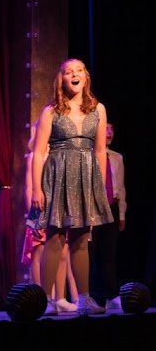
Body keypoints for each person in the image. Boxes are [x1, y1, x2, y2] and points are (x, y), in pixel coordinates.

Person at [30, 58, 113, 315]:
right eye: (68, 72)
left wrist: (98, 186)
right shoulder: (51, 111)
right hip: (57, 174)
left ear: (85, 77)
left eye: (79, 71)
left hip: (86, 175)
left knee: (80, 239)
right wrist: (36, 188)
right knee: (54, 237)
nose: (74, 75)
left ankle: (84, 299)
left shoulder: (98, 109)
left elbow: (100, 150)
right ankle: (45, 299)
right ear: (62, 79)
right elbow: (40, 152)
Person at [22, 121, 79, 313]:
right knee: (39, 254)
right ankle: (42, 298)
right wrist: (34, 211)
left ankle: (60, 298)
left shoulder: (59, 153)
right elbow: (29, 186)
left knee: (62, 252)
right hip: (40, 211)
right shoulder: (34, 157)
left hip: (59, 211)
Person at [91, 122, 126, 311]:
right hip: (94, 207)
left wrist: (121, 214)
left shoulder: (117, 158)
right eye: (107, 129)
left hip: (111, 207)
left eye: (112, 129)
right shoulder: (90, 155)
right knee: (91, 253)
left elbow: (120, 187)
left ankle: (111, 294)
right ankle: (93, 296)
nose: (110, 132)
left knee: (109, 254)